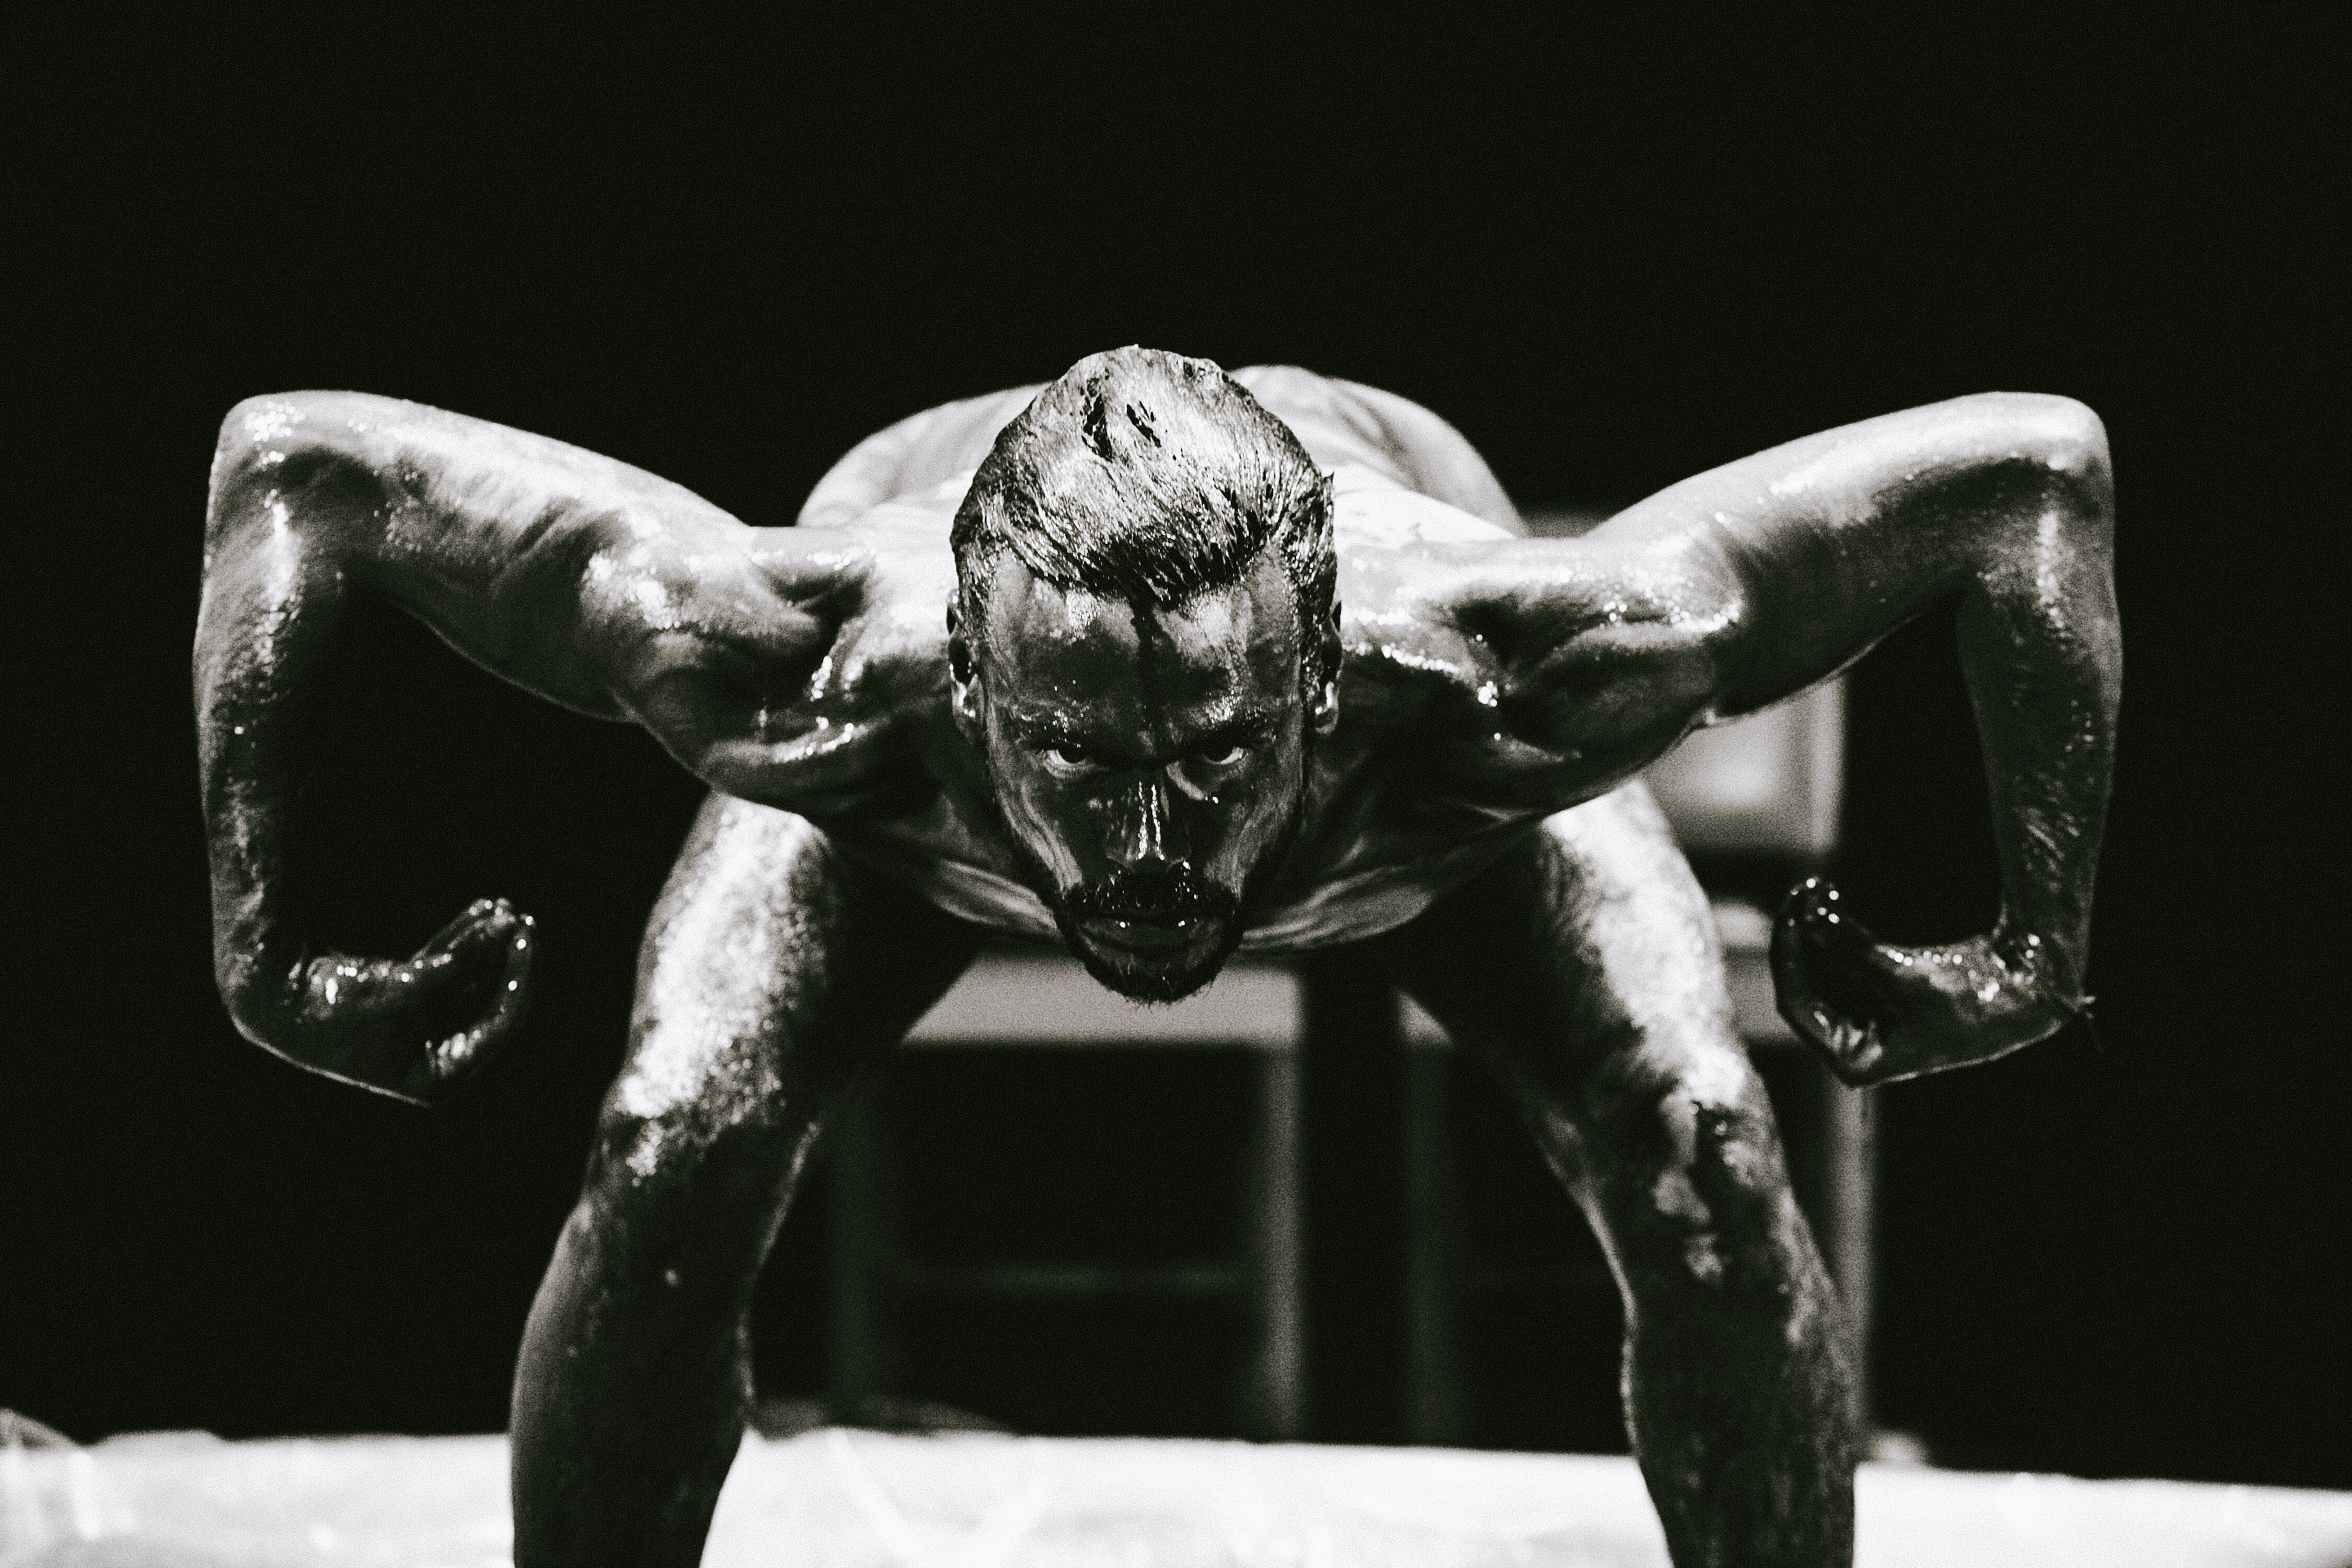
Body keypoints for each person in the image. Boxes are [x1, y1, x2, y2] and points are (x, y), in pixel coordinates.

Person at [193, 347, 2120, 1566]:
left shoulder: (1506, 677)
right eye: (1076, 762)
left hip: (1410, 765)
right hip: (914, 763)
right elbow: (299, 468)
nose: (1143, 847)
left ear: (1321, 682)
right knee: (665, 1137)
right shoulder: (795, 671)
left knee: (1701, 1132)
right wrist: (262, 944)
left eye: (1211, 760)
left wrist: (2035, 939)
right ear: (966, 684)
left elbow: (2029, 473)